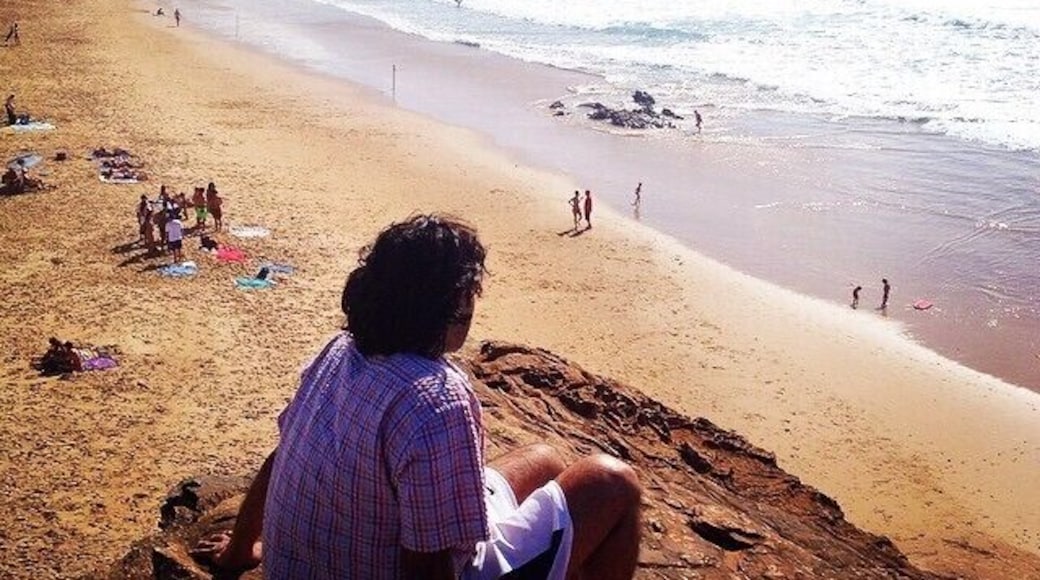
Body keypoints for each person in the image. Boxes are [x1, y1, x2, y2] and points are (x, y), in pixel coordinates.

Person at [192, 215, 642, 579]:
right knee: (612, 480)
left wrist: (240, 549)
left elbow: (280, 454)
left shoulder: (340, 350)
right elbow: (428, 567)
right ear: (452, 305)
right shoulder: (437, 400)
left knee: (543, 459)